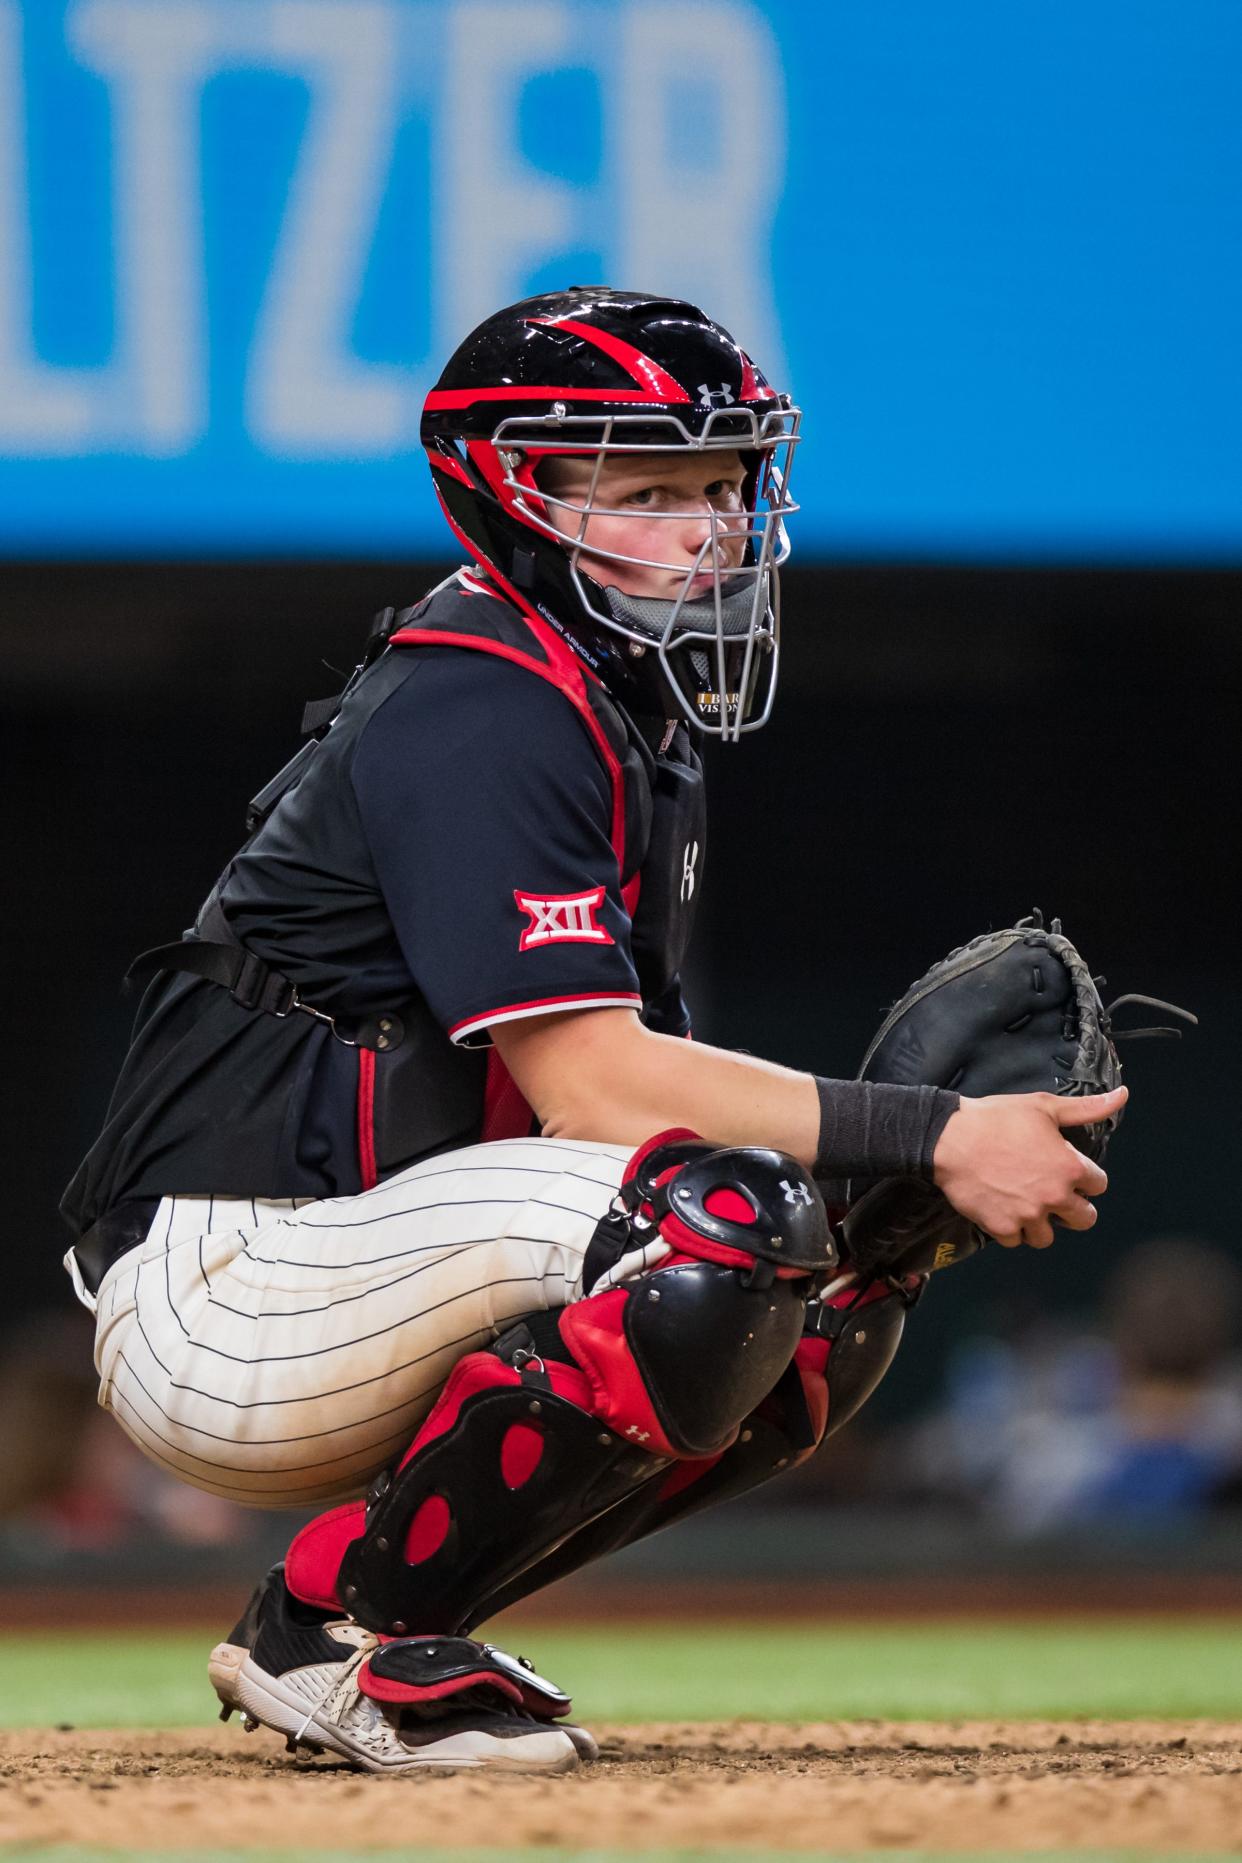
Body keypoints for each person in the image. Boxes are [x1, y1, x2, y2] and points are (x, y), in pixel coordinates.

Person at [62, 287, 1122, 1774]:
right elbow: (593, 1083)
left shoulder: (608, 702)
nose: (706, 526)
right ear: (513, 497)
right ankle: (358, 1653)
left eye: (719, 483)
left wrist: (887, 1173)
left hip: (360, 1263)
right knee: (732, 1218)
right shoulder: (481, 701)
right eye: (644, 490)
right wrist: (935, 1128)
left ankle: (328, 1617)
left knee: (841, 1269)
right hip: (236, 1296)